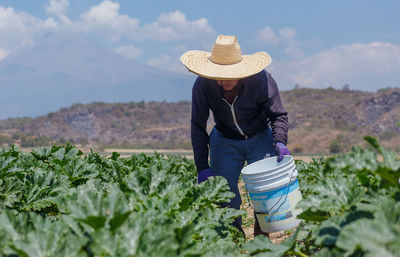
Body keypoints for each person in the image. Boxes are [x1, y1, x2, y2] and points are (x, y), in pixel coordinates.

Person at [180, 35, 291, 237]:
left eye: (229, 75)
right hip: (224, 140)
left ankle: (261, 237)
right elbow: (197, 125)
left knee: (264, 193)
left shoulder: (262, 81)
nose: (223, 81)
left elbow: (278, 115)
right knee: (225, 195)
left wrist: (280, 141)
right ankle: (234, 239)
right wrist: (202, 166)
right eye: (218, 75)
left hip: (259, 137)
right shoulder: (203, 85)